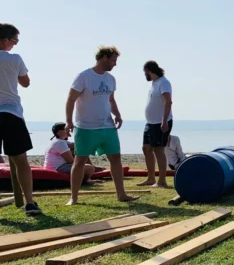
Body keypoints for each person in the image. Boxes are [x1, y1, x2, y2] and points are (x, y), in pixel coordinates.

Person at [65, 46, 137, 205]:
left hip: (107, 126)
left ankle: (121, 194)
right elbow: (71, 99)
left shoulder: (111, 79)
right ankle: (74, 198)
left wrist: (117, 114)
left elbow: (111, 100)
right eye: (113, 60)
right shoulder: (83, 76)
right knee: (80, 161)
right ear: (104, 58)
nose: (115, 64)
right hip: (85, 127)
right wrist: (69, 122)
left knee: (116, 158)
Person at [0, 23, 41, 216]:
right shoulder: (14, 59)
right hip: (11, 113)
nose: (15, 45)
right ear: (6, 40)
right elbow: (25, 83)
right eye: (15, 41)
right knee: (21, 160)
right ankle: (30, 203)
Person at [138, 61, 173, 188]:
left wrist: (164, 120)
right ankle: (151, 178)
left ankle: (162, 181)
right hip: (150, 123)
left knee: (159, 150)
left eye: (145, 72)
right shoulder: (154, 83)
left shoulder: (164, 82)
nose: (145, 75)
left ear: (148, 70)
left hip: (160, 122)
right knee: (146, 148)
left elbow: (168, 102)